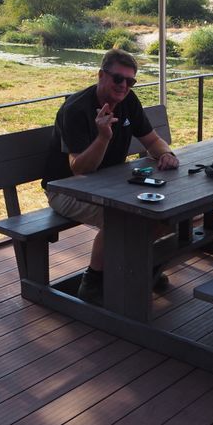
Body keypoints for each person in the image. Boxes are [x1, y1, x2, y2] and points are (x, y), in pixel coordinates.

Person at [43, 48, 179, 304]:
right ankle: (93, 282)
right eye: (118, 78)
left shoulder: (129, 101)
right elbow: (80, 169)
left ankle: (146, 267)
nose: (124, 86)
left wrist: (165, 154)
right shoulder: (75, 110)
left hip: (112, 184)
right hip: (66, 189)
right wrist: (104, 137)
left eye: (130, 81)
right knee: (123, 217)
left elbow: (152, 140)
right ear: (101, 75)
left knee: (166, 212)